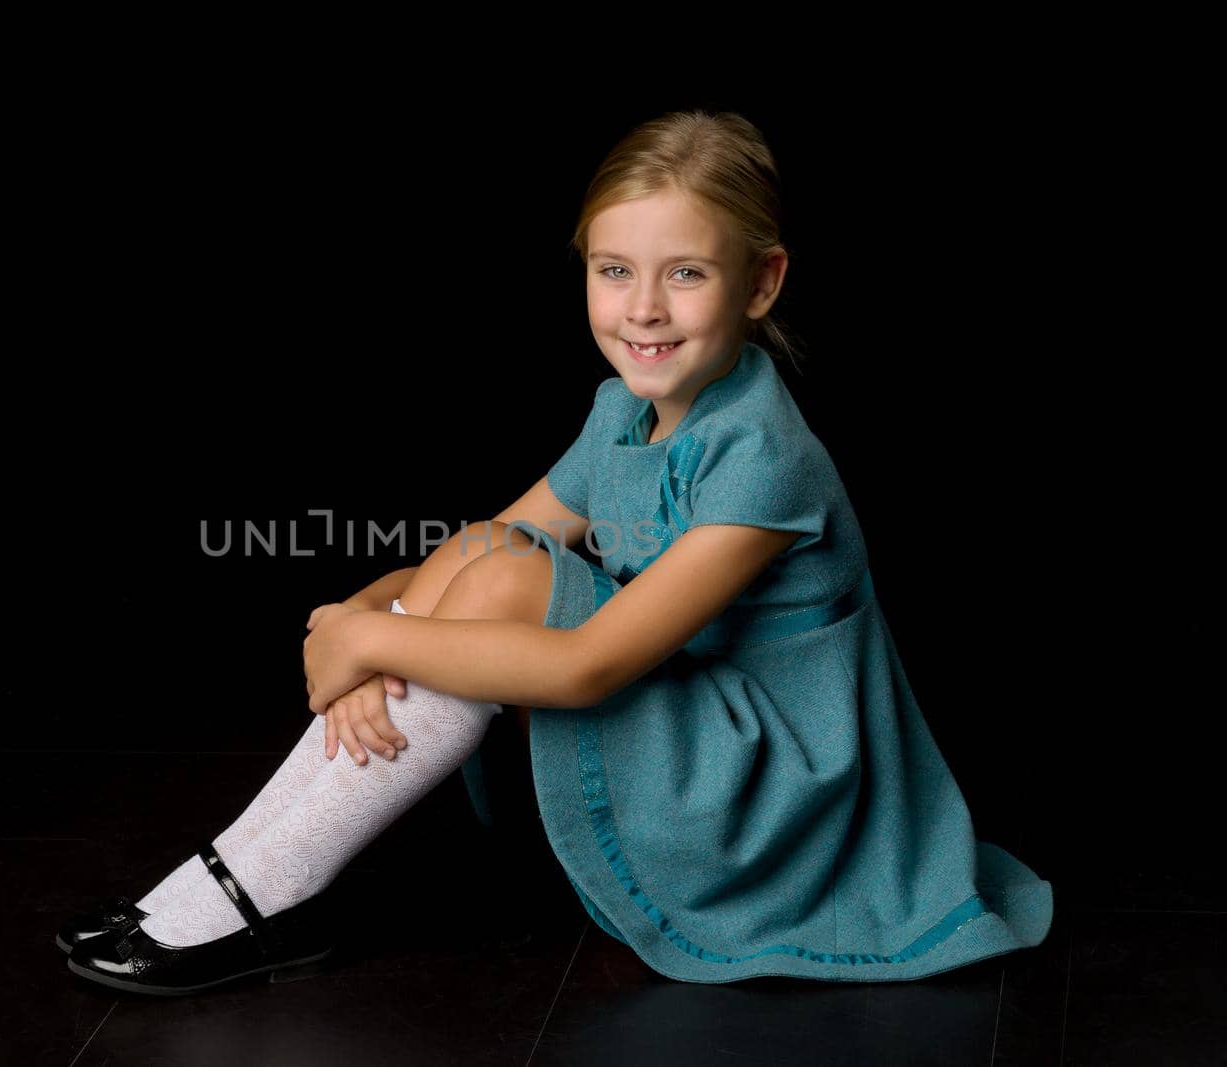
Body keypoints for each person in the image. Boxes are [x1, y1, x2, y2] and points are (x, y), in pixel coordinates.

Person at [60, 109, 1053, 993]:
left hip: (769, 793)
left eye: (687, 272)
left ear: (762, 282)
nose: (643, 308)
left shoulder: (766, 460)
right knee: (493, 551)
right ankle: (242, 872)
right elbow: (485, 544)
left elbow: (590, 665)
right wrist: (365, 616)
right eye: (613, 270)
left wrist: (377, 642)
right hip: (688, 724)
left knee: (497, 575)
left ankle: (264, 889)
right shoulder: (623, 410)